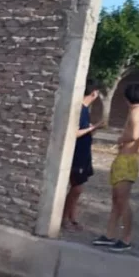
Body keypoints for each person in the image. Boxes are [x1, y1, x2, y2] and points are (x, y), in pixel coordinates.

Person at [92, 83, 139, 252]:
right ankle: (110, 235)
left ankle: (126, 239)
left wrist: (121, 139)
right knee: (117, 200)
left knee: (122, 201)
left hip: (127, 160)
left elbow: (134, 134)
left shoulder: (134, 112)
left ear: (126, 98)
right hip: (127, 159)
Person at [62, 79, 103, 231]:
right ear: (93, 93)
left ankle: (72, 217)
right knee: (76, 188)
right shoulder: (80, 110)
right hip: (77, 155)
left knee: (78, 189)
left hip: (84, 153)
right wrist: (95, 127)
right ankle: (64, 218)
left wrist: (92, 129)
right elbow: (75, 132)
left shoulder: (85, 110)